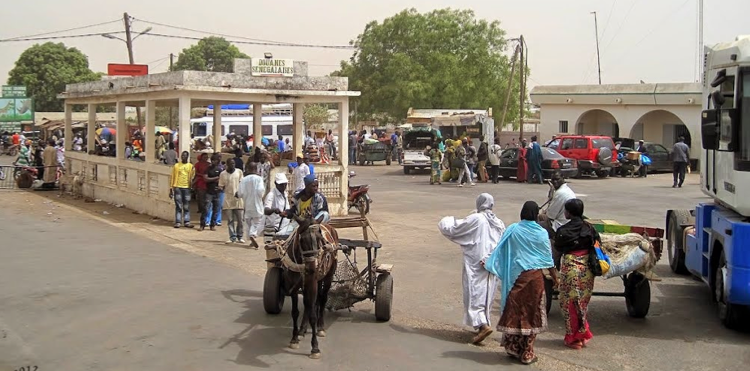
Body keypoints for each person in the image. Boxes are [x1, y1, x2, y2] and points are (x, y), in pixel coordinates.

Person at [485, 201, 554, 365]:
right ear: (536, 214)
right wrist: (556, 279)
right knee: (532, 314)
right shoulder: (542, 233)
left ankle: (513, 348)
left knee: (514, 311)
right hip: (535, 279)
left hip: (516, 277)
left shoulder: (513, 229)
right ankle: (527, 353)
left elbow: (502, 250)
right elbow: (548, 260)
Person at [438, 194, 506, 345]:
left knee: (475, 292)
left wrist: (446, 220)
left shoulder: (477, 219)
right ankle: (483, 322)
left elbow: (455, 229)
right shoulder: (499, 222)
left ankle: (482, 325)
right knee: (487, 293)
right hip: (492, 263)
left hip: (476, 263)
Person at [554, 199, 598, 349]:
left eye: (566, 210)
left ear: (569, 213)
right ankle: (582, 334)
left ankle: (574, 338)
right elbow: (597, 244)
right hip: (587, 271)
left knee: (569, 304)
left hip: (570, 270)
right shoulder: (590, 228)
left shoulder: (564, 231)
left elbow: (558, 248)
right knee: (582, 304)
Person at [238, 162, 265, 248]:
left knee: (249, 222)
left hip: (247, 204)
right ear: (256, 169)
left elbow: (240, 193)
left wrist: (239, 195)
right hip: (257, 204)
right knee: (257, 221)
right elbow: (261, 191)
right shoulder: (259, 179)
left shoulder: (244, 179)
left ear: (248, 169)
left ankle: (251, 239)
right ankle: (253, 235)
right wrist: (260, 197)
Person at [219, 156, 245, 244]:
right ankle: (232, 237)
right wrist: (219, 189)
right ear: (227, 165)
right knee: (230, 220)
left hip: (238, 199)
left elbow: (242, 183)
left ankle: (240, 236)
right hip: (228, 199)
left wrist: (240, 192)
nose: (233, 165)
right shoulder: (223, 174)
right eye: (231, 164)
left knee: (240, 220)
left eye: (233, 163)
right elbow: (221, 186)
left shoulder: (239, 172)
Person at [169, 151, 195, 228]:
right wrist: (171, 188)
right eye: (182, 156)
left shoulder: (190, 166)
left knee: (186, 206)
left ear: (187, 157)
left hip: (187, 188)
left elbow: (193, 177)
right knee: (179, 205)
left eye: (185, 156)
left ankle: (187, 221)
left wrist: (192, 187)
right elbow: (173, 177)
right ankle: (178, 221)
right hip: (178, 187)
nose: (183, 157)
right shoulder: (176, 166)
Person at [200, 154, 223, 231]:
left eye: (215, 160)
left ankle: (212, 225)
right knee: (206, 209)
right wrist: (215, 178)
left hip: (217, 192)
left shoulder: (220, 169)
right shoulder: (208, 169)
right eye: (212, 160)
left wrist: (213, 179)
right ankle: (202, 224)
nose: (213, 162)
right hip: (209, 191)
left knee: (216, 209)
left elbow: (222, 180)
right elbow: (206, 179)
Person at [193, 153, 210, 227]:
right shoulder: (197, 164)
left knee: (208, 202)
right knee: (201, 200)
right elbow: (195, 173)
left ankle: (206, 218)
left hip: (208, 184)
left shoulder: (209, 165)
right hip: (200, 182)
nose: (205, 158)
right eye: (204, 157)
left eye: (206, 157)